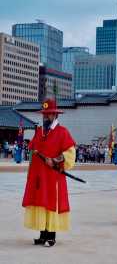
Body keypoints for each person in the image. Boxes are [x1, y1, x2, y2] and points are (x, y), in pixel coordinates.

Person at [22, 98, 76, 247]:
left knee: (51, 204)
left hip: (53, 176)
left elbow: (70, 153)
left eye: (49, 114)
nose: (46, 117)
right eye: (44, 114)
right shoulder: (39, 131)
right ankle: (42, 235)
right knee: (41, 203)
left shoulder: (62, 132)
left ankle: (51, 236)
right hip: (39, 176)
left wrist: (55, 160)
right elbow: (34, 150)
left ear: (55, 115)